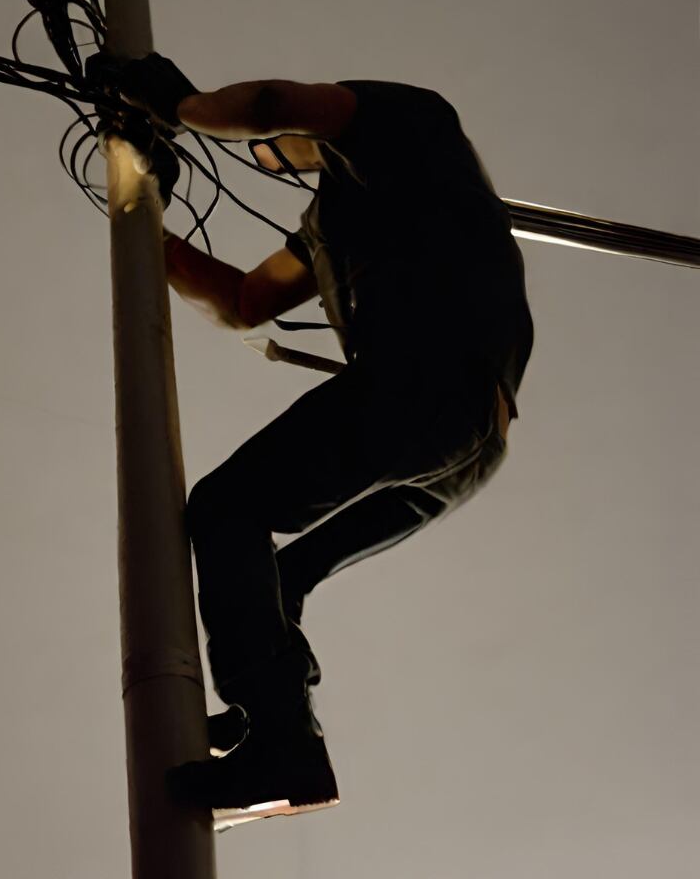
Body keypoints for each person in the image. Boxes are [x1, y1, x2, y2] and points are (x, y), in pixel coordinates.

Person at [93, 54, 535, 825]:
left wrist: (184, 104)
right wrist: (144, 222)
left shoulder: (408, 121)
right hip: (468, 437)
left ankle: (284, 743)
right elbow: (243, 300)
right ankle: (271, 713)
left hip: (427, 381)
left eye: (277, 146)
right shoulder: (330, 220)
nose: (269, 155)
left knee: (227, 507)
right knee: (277, 571)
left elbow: (268, 103)